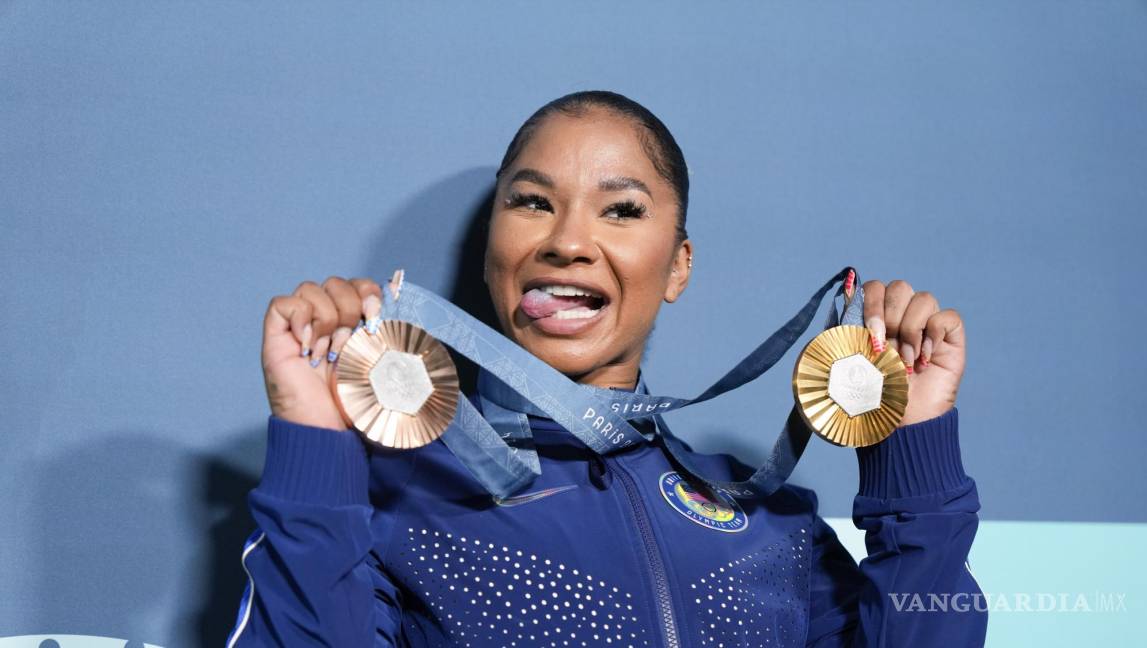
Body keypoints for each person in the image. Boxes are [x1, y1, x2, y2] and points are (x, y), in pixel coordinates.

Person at [226, 90, 987, 647]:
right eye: (531, 203)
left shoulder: (771, 527)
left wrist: (913, 459)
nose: (567, 242)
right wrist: (317, 441)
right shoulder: (393, 500)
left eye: (621, 210)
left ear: (678, 266)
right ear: (493, 252)